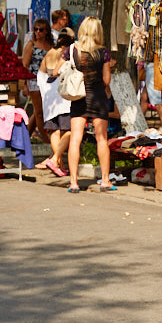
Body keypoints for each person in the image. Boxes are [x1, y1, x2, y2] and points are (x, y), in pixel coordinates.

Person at [65, 16, 112, 193]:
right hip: (98, 98)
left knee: (75, 139)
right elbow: (106, 80)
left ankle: (74, 182)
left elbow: (57, 70)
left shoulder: (72, 50)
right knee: (101, 139)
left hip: (78, 98)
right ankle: (105, 180)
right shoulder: (103, 53)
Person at [37, 32, 74, 177]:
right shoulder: (61, 54)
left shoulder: (50, 53)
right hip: (60, 97)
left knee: (55, 130)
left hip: (49, 98)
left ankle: (58, 163)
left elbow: (43, 75)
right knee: (69, 129)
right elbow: (59, 73)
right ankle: (55, 160)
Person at [21, 18, 54, 141]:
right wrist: (24, 85)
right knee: (39, 111)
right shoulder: (31, 45)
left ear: (46, 31)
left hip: (48, 81)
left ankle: (26, 136)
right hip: (34, 81)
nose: (38, 32)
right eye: (35, 29)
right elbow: (25, 65)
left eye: (41, 30)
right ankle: (45, 138)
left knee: (41, 110)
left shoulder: (51, 46)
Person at [138, 59, 162, 133]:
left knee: (156, 100)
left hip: (153, 65)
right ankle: (139, 123)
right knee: (144, 97)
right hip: (150, 65)